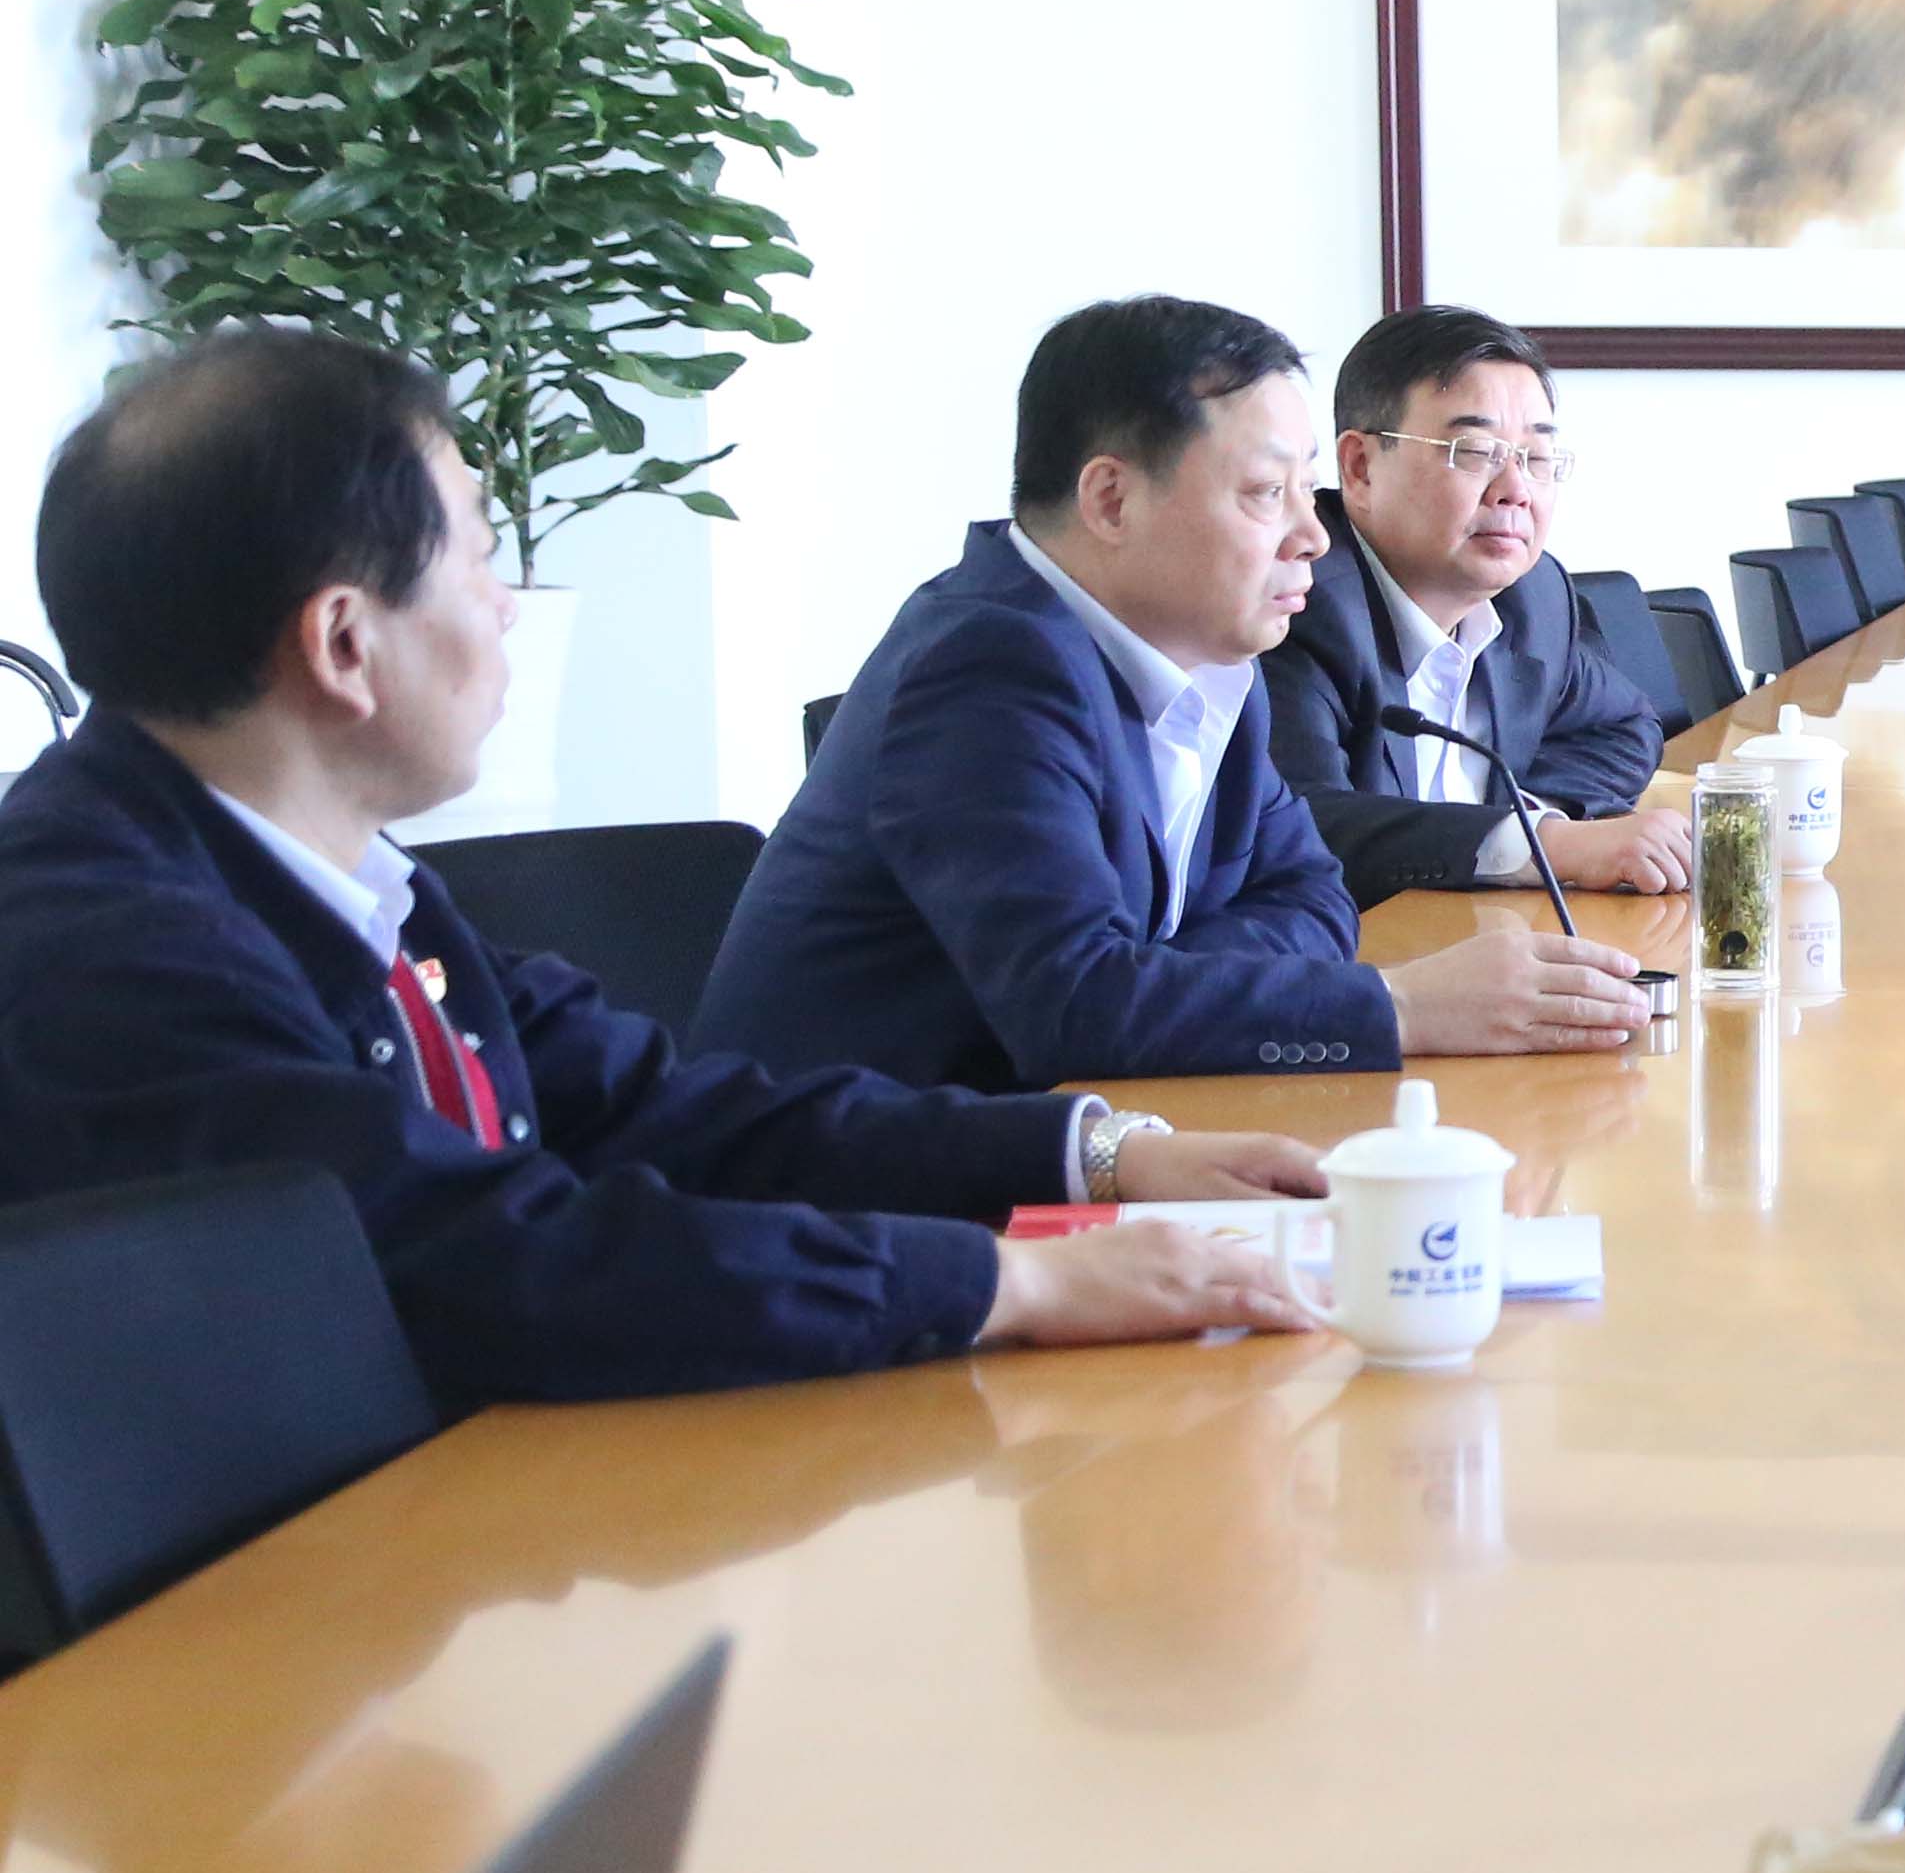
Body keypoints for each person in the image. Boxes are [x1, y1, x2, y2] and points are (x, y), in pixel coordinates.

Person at [0, 328, 1336, 1416]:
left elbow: (667, 1112)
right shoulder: (115, 943)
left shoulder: (326, 871)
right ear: (345, 646)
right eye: (480, 558)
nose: (507, 607)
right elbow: (502, 1261)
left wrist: (1096, 1154)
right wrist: (1011, 1285)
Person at [697, 297, 1651, 1089]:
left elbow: (1312, 893)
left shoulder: (1210, 654)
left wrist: (1155, 982)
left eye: (1306, 490)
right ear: (1111, 500)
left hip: (1102, 1126)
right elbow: (1078, 1009)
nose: (1314, 537)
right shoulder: (987, 664)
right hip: (867, 1197)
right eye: (1266, 494)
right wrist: (1400, 1005)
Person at [1255, 305, 1685, 905]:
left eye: (1537, 458)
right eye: (1476, 451)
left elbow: (1624, 728)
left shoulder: (1533, 598)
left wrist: (1525, 825)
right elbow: (1302, 822)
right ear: (1360, 467)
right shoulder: (1294, 600)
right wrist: (1545, 847)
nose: (1515, 491)